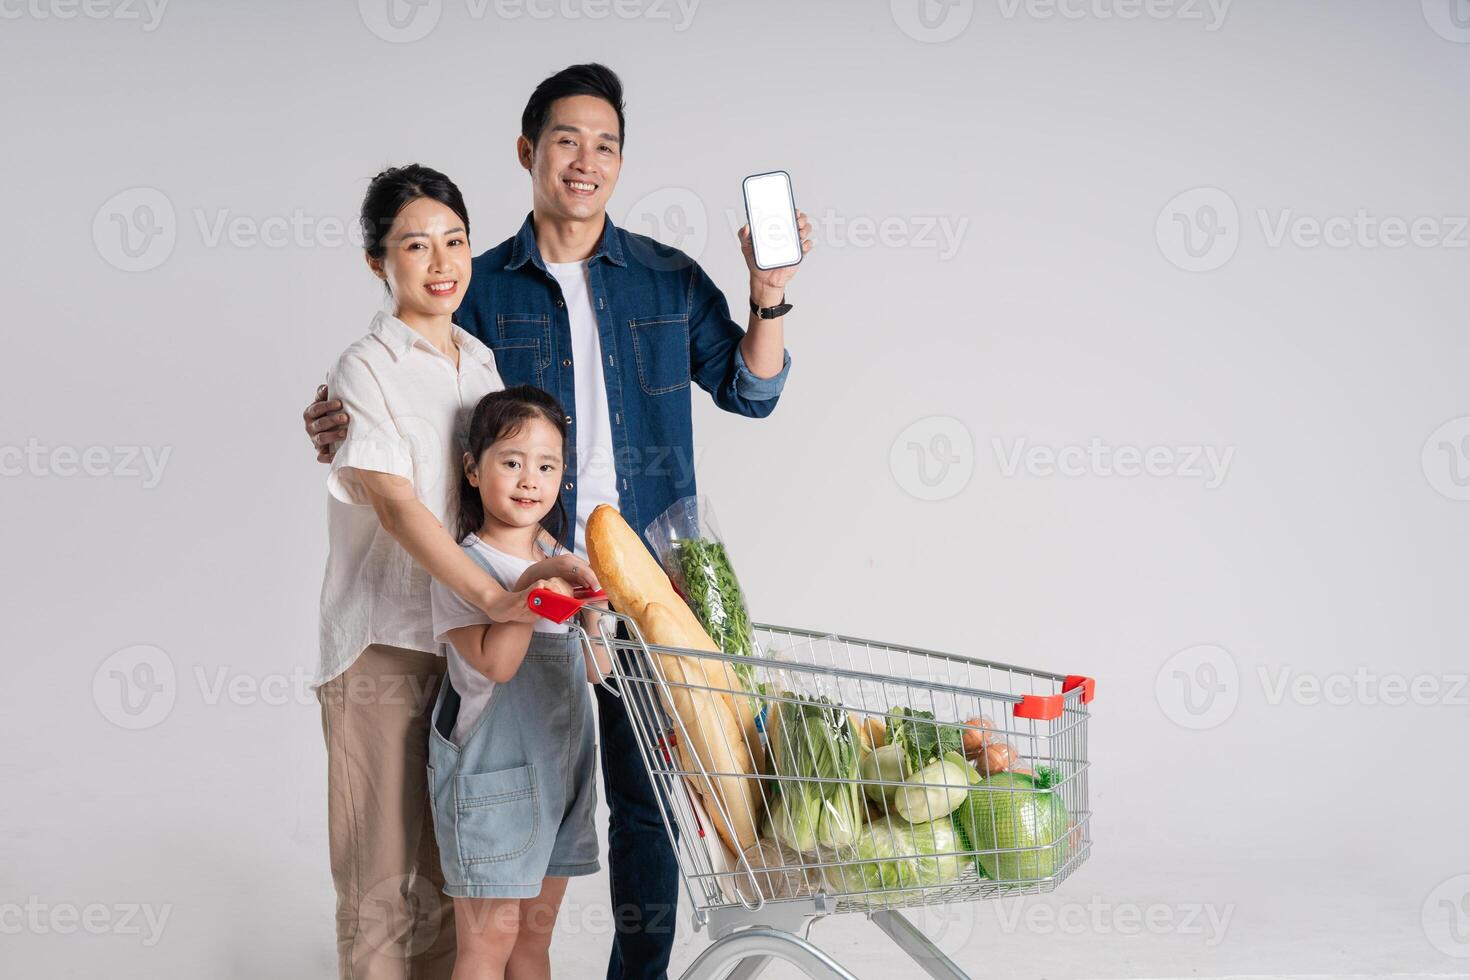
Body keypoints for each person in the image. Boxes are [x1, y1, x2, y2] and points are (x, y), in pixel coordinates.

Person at [305, 65, 812, 979]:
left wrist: (768, 290)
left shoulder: (664, 276)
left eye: (607, 144)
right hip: (521, 586)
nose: (587, 161)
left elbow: (752, 387)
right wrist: (336, 421)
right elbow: (424, 400)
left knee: (652, 801)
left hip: (647, 584)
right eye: (567, 141)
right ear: (527, 152)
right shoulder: (482, 285)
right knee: (494, 816)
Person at [316, 163, 596, 979]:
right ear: (379, 262)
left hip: (467, 658)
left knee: (453, 880)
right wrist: (501, 599)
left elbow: (512, 496)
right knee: (380, 885)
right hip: (385, 647)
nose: (441, 261)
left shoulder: (480, 363)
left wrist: (555, 582)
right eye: (415, 244)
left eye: (455, 241)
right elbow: (400, 508)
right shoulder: (364, 367)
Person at [427, 384, 612, 980]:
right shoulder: (464, 565)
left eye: (546, 465)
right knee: (487, 950)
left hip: (562, 781)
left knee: (532, 947)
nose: (530, 480)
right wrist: (537, 581)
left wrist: (597, 606)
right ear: (473, 470)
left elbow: (595, 668)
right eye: (511, 462)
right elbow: (496, 665)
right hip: (495, 787)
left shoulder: (563, 554)